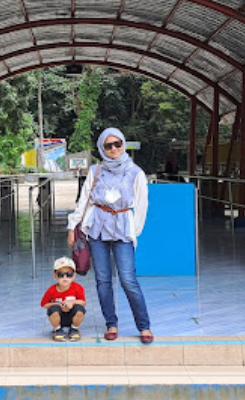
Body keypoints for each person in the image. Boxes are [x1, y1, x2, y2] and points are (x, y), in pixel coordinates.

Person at [67, 128, 154, 344]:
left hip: (123, 229)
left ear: (123, 144)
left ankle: (143, 325)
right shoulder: (96, 170)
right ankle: (111, 323)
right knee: (103, 280)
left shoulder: (136, 173)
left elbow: (142, 206)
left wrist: (134, 232)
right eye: (108, 145)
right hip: (97, 228)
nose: (114, 148)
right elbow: (84, 198)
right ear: (101, 148)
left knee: (128, 279)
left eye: (118, 144)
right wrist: (73, 226)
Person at [40, 256, 86, 342]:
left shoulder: (77, 288)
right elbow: (44, 304)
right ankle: (57, 329)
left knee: (80, 309)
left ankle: (74, 328)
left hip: (72, 315)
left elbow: (83, 302)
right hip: (58, 317)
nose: (65, 278)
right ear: (55, 276)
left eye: (69, 274)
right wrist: (57, 304)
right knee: (53, 309)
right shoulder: (52, 290)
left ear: (74, 276)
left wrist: (72, 302)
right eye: (61, 275)